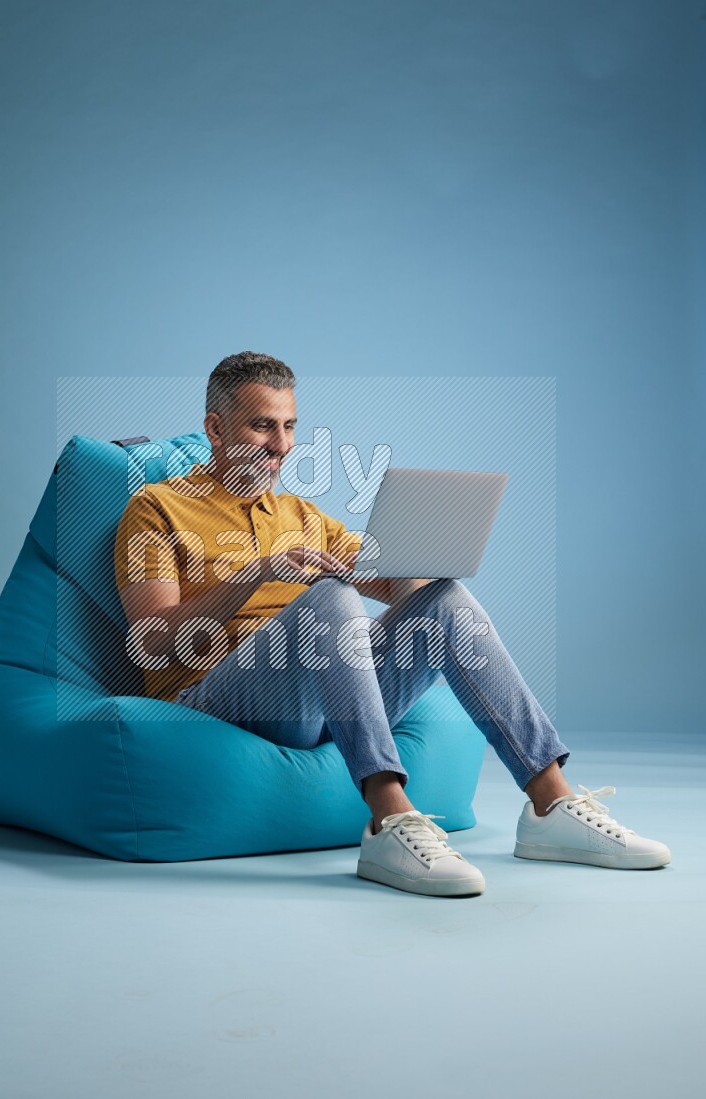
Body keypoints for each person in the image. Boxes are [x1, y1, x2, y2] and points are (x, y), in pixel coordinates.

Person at [114, 351, 671, 897]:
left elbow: (396, 586)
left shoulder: (302, 516)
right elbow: (152, 640)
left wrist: (425, 565)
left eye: (289, 427)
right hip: (215, 697)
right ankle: (388, 821)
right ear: (215, 427)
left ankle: (551, 803)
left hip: (319, 695)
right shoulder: (157, 507)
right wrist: (257, 573)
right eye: (262, 427)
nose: (281, 446)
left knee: (445, 599)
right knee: (330, 596)